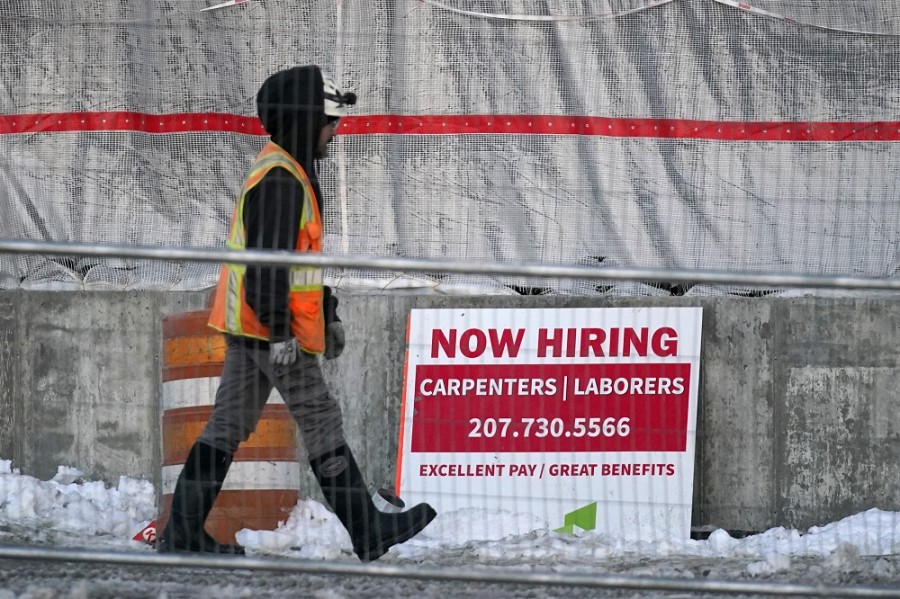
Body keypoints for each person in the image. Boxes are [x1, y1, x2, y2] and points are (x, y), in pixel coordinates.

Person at [156, 65, 437, 561]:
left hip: (256, 327)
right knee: (321, 419)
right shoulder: (282, 180)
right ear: (306, 121)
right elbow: (268, 266)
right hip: (272, 331)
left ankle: (181, 537)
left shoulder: (287, 170)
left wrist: (326, 311)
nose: (336, 130)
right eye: (330, 121)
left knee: (226, 427)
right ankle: (367, 531)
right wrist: (283, 331)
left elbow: (299, 258)